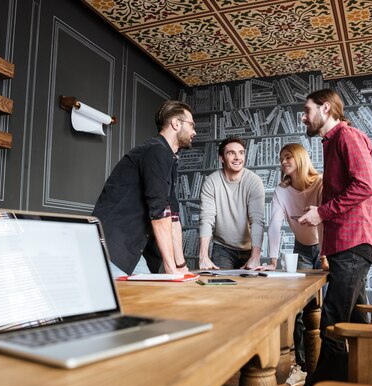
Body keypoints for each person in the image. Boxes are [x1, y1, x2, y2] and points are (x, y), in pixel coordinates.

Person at [297, 89, 372, 384]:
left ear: (326, 109)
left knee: (332, 324)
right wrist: (320, 210)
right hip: (347, 245)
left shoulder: (348, 137)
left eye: (307, 110)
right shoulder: (332, 143)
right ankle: (366, 384)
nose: (304, 117)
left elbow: (364, 186)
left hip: (354, 244)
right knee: (356, 322)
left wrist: (321, 213)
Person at [92, 100, 195, 276]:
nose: (194, 131)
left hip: (132, 249)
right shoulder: (156, 151)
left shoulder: (169, 158)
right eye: (191, 125)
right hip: (113, 246)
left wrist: (181, 265)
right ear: (176, 124)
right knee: (140, 301)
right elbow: (160, 213)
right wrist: (170, 268)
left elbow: (173, 217)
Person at [259, 142, 327, 386]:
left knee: (324, 310)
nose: (284, 161)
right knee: (299, 310)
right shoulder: (281, 190)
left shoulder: (319, 182)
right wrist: (273, 260)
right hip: (301, 250)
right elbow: (275, 224)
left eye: (288, 157)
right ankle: (302, 367)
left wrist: (325, 255)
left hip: (324, 248)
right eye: (281, 158)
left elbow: (323, 220)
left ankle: (325, 367)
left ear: (300, 158)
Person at [199, 137, 265, 270]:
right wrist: (203, 257)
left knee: (250, 289)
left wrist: (255, 256)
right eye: (231, 153)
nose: (237, 157)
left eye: (241, 153)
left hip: (248, 248)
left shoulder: (254, 181)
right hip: (222, 248)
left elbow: (257, 221)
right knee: (222, 288)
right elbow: (206, 219)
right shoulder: (211, 182)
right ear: (221, 158)